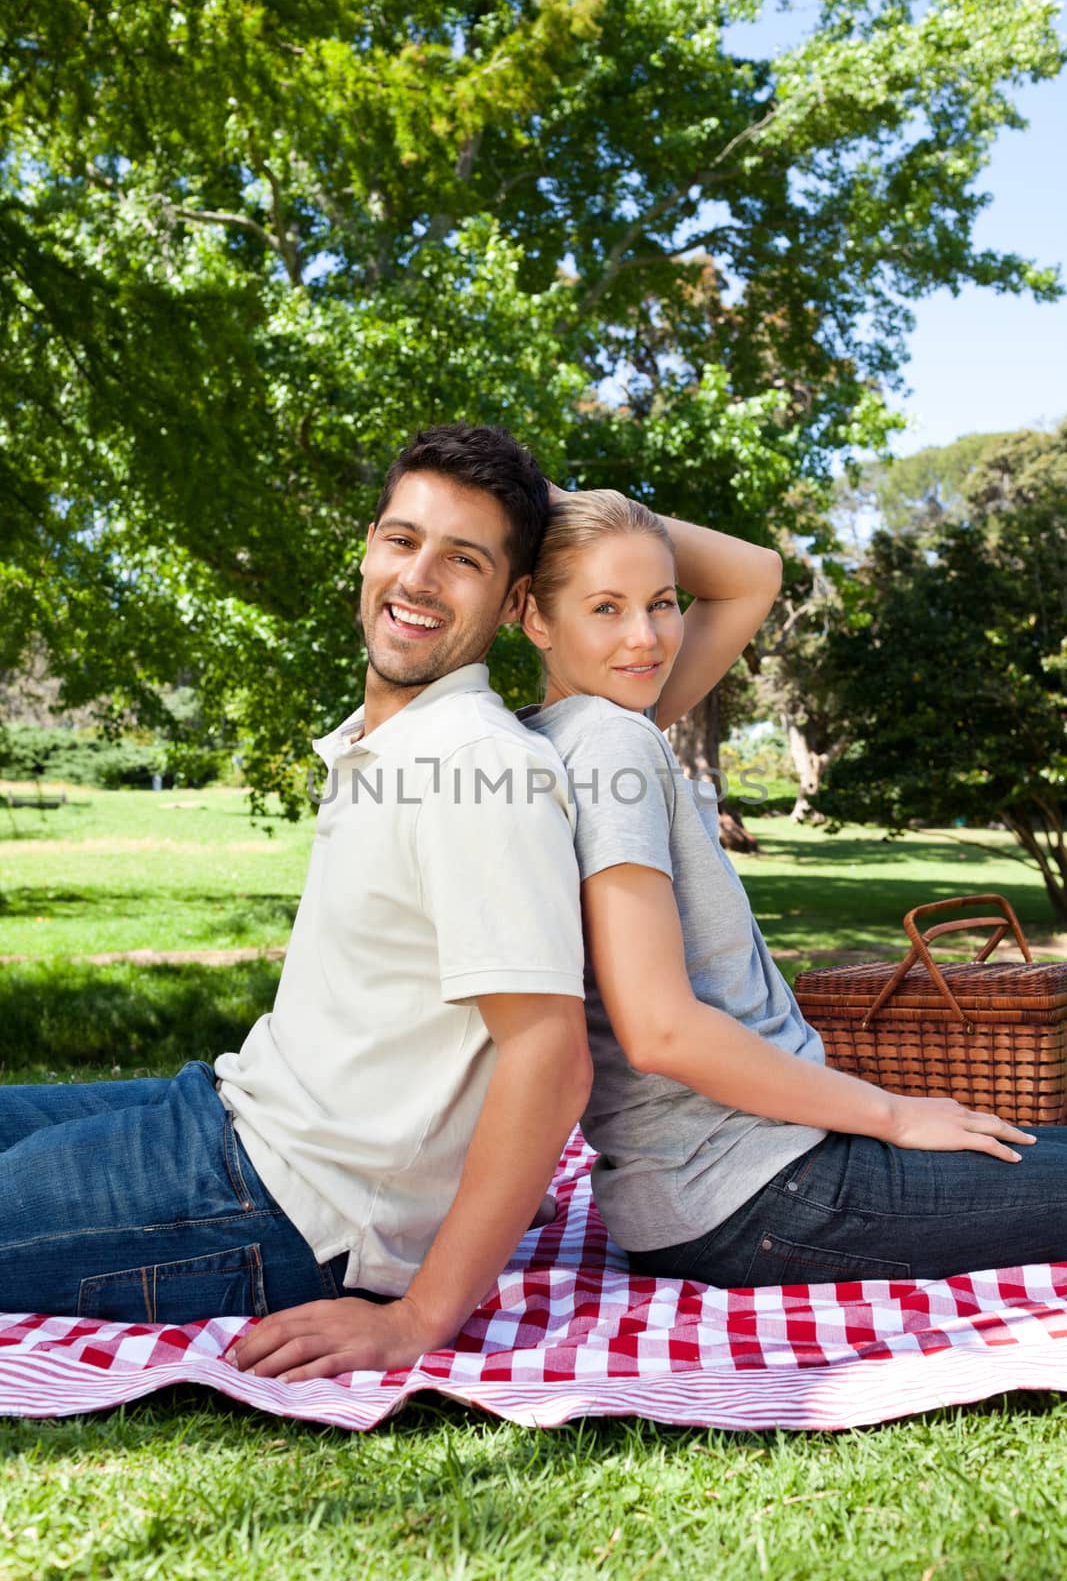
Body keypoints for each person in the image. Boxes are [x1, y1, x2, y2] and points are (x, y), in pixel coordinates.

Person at [0, 424, 590, 1380]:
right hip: (229, 1115)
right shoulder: (391, 741)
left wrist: (418, 1319)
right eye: (402, 540)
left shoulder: (481, 767)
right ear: (367, 547)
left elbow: (550, 1060)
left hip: (291, 1207)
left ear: (517, 600)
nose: (418, 578)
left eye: (465, 560)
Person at [518, 487, 1067, 1290]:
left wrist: (536, 500)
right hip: (756, 1196)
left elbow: (751, 576)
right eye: (605, 607)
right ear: (535, 617)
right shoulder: (610, 742)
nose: (646, 637)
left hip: (744, 1175)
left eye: (662, 602)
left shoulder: (568, 724)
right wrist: (893, 1112)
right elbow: (659, 1031)